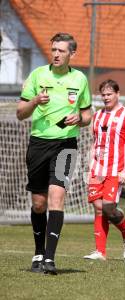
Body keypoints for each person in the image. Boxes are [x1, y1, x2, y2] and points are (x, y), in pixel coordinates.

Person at [17, 33, 92, 275]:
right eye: (54, 50)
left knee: (57, 198)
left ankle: (50, 259)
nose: (56, 54)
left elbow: (88, 115)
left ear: (72, 53)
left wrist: (79, 119)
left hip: (66, 145)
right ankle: (38, 252)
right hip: (38, 144)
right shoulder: (38, 75)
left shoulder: (80, 79)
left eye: (61, 50)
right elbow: (20, 113)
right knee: (39, 204)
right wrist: (35, 101)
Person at [83, 79, 125, 261]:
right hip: (97, 170)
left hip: (116, 169)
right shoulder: (97, 116)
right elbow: (93, 143)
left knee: (108, 208)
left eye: (109, 94)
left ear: (117, 94)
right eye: (103, 95)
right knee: (98, 208)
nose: (106, 98)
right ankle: (100, 252)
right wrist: (90, 166)